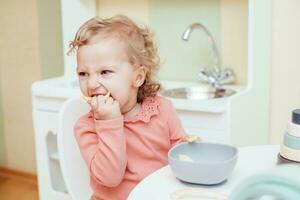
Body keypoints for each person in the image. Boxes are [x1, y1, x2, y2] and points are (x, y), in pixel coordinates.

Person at [69, 15, 200, 200]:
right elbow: (109, 178)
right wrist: (109, 122)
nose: (91, 84)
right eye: (83, 73)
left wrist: (188, 148)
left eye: (105, 72)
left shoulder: (162, 110)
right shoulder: (87, 127)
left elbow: (178, 150)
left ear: (138, 77)